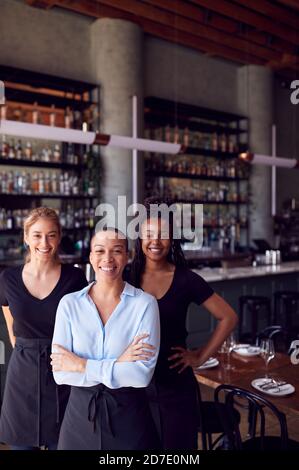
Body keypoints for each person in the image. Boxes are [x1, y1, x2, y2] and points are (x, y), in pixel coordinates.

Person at [128, 198, 238, 449]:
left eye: (163, 235)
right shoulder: (125, 277)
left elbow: (229, 317)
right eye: (148, 234)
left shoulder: (187, 279)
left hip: (175, 387)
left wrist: (198, 357)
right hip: (133, 387)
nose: (155, 242)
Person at [51, 228, 160, 450]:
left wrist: (81, 365)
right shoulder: (69, 304)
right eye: (100, 251)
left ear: (127, 256)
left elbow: (140, 376)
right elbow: (61, 374)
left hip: (130, 417)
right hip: (79, 418)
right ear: (91, 257)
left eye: (117, 251)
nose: (107, 259)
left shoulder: (145, 304)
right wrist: (119, 363)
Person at [0, 207, 88, 450]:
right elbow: (13, 332)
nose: (44, 242)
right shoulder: (8, 279)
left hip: (64, 372)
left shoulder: (75, 278)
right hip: (22, 378)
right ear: (26, 238)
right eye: (37, 235)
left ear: (59, 237)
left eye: (51, 235)